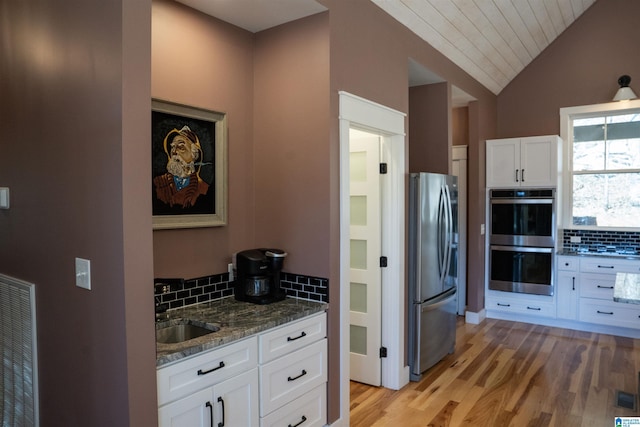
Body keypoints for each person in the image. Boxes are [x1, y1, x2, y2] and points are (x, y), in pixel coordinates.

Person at [153, 125, 209, 208]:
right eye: (172, 147)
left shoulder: (203, 189)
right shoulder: (158, 183)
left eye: (181, 147)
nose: (174, 151)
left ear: (194, 154)